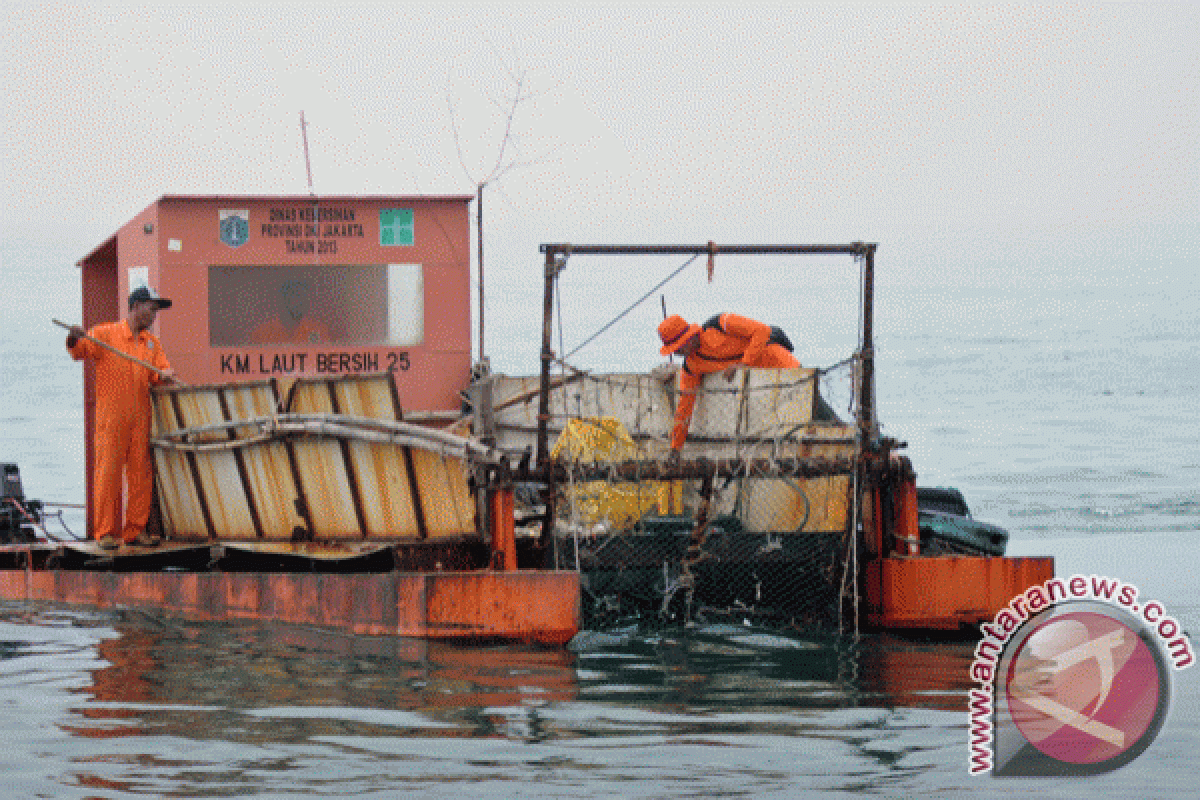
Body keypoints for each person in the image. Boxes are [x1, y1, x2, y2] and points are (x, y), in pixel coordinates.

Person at [66, 286, 176, 550]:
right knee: (108, 474)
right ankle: (105, 532)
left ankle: (135, 530)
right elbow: (79, 351)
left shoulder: (151, 343)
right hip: (111, 419)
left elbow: (159, 373)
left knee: (141, 474)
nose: (154, 314)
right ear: (136, 306)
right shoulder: (106, 334)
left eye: (156, 310)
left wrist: (166, 375)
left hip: (140, 418)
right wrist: (73, 336)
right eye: (151, 308)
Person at [656, 312, 800, 457]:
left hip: (785, 369)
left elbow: (762, 330)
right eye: (674, 351)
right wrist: (675, 448)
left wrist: (743, 364)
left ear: (688, 339)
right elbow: (685, 406)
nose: (677, 354)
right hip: (760, 393)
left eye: (678, 349)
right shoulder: (691, 366)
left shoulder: (720, 324)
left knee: (814, 415)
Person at [250, 278, 331, 344]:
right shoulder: (261, 333)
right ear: (283, 299)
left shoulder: (319, 330)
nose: (298, 301)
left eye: (302, 296)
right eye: (294, 295)